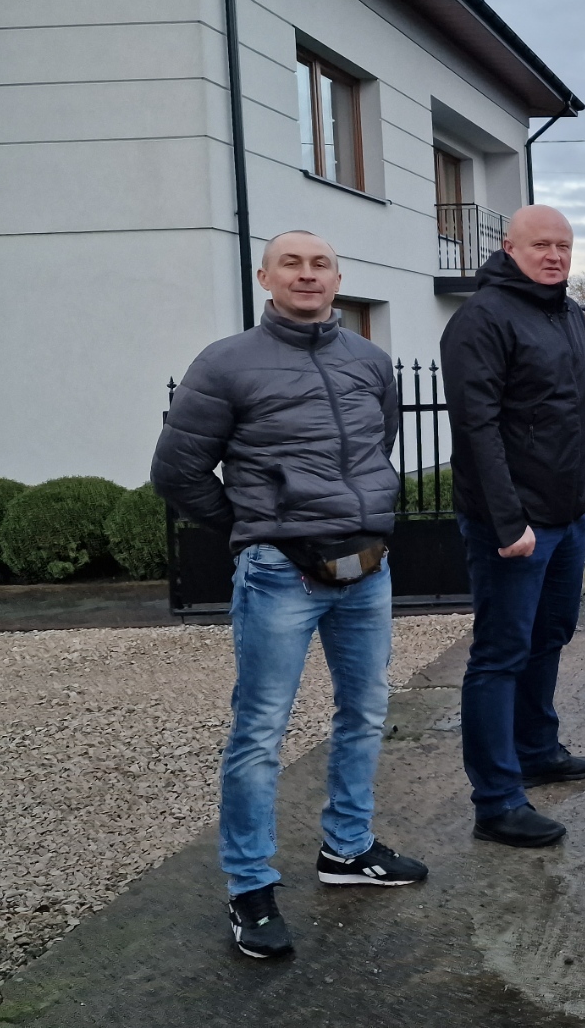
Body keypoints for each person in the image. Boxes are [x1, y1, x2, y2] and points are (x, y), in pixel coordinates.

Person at [151, 230, 426, 962]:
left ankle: (347, 848)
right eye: (292, 264)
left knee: (365, 713)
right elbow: (177, 472)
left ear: (338, 278)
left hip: (368, 569)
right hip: (279, 575)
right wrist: (257, 530)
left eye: (321, 264)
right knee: (260, 733)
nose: (308, 274)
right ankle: (250, 886)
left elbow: (377, 448)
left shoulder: (369, 361)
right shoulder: (226, 363)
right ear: (265, 277)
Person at [440, 205, 585, 850]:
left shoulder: (570, 315)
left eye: (563, 246)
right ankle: (497, 800)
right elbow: (476, 428)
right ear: (509, 247)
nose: (554, 256)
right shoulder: (481, 319)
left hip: (567, 516)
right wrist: (509, 523)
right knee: (500, 654)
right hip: (514, 525)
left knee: (550, 635)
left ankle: (537, 750)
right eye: (541, 245)